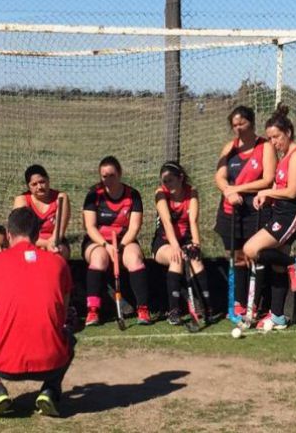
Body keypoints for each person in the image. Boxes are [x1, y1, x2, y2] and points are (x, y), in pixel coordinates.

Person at [0, 207, 74, 418]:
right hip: (51, 361)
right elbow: (61, 316)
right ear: (38, 234)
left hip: (4, 363)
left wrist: (2, 321)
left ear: (9, 234)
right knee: (68, 336)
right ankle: (50, 390)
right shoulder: (59, 263)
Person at [243, 104, 296, 331]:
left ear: (288, 133)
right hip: (280, 213)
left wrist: (265, 192)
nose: (273, 142)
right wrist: (268, 198)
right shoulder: (283, 156)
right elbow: (280, 186)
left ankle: (295, 263)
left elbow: (291, 192)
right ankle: (279, 316)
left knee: (251, 249)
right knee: (277, 266)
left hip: (293, 216)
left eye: (277, 137)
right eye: (270, 138)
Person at [213, 105, 277, 322]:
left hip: (255, 211)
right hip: (231, 209)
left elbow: (267, 179)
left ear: (251, 123)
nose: (238, 129)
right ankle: (239, 302)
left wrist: (237, 189)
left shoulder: (265, 147)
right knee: (238, 256)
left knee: (254, 255)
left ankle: (258, 301)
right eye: (234, 125)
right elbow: (220, 177)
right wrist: (227, 192)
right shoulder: (229, 148)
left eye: (242, 124)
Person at [81, 155, 150, 326]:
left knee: (134, 258)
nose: (108, 180)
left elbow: (134, 228)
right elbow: (90, 227)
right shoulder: (93, 195)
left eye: (112, 175)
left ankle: (143, 308)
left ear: (119, 174)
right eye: (104, 176)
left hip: (124, 240)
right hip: (98, 241)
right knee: (99, 258)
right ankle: (93, 311)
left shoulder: (133, 195)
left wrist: (120, 246)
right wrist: (106, 246)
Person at [152, 161, 212, 325]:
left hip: (186, 239)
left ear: (181, 178)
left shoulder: (191, 192)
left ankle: (206, 307)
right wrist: (176, 247)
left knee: (196, 261)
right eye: (164, 181)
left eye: (170, 180)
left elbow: (193, 220)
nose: (166, 184)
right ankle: (174, 310)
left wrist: (196, 244)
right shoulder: (160, 193)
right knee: (176, 258)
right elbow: (167, 222)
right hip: (164, 241)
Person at [12, 164, 71, 260]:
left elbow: (59, 232)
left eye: (42, 182)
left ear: (48, 180)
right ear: (28, 186)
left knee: (57, 256)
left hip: (55, 241)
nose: (39, 187)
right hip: (29, 242)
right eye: (34, 184)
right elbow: (21, 233)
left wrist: (51, 244)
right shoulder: (22, 200)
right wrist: (44, 244)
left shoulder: (60, 198)